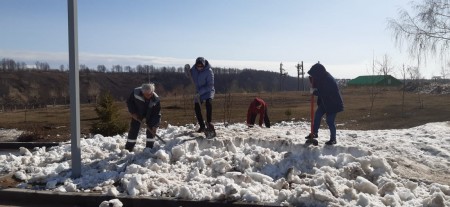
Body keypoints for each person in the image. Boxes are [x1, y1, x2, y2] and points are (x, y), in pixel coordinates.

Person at [305, 63, 344, 145]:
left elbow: (323, 92)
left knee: (330, 121)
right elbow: (318, 86)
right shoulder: (321, 77)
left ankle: (333, 139)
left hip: (334, 104)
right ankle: (314, 133)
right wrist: (312, 81)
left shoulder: (328, 79)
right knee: (318, 115)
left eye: (314, 74)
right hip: (325, 103)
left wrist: (314, 92)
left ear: (318, 73)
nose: (314, 76)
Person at [125, 82, 161, 151]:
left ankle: (149, 148)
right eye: (146, 95)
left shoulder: (156, 99)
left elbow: (157, 113)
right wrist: (133, 113)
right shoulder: (136, 93)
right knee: (134, 130)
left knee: (151, 130)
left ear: (152, 92)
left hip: (150, 114)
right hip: (137, 113)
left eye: (150, 94)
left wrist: (155, 125)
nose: (148, 96)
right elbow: (130, 102)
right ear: (142, 92)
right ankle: (128, 148)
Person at [190, 57, 215, 133]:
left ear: (204, 65)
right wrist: (186, 71)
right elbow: (189, 75)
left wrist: (200, 92)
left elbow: (210, 85)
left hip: (208, 91)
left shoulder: (209, 71)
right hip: (198, 92)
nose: (199, 68)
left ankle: (209, 123)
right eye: (198, 66)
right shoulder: (193, 70)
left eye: (201, 66)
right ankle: (202, 126)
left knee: (208, 104)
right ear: (196, 65)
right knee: (197, 108)